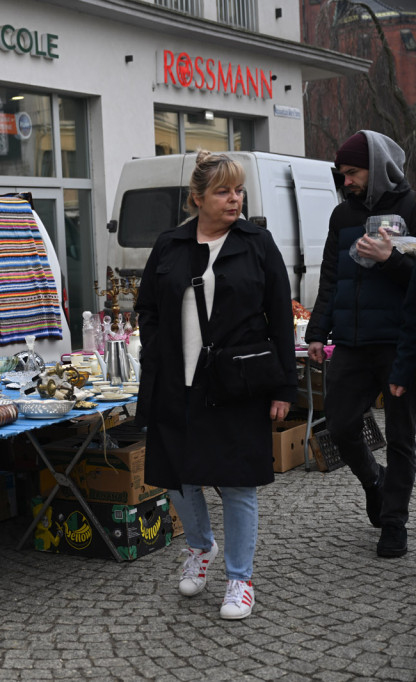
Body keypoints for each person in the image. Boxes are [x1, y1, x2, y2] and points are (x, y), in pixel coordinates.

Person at [136, 151, 296, 620]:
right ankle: (200, 549)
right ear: (198, 198)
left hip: (237, 384)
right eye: (224, 191)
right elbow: (147, 307)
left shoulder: (257, 242)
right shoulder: (169, 244)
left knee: (238, 483)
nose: (235, 199)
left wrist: (285, 387)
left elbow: (281, 318)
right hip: (175, 384)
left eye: (239, 190)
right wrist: (155, 352)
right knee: (179, 477)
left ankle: (239, 580)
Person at [305, 130, 416, 558]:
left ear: (377, 167)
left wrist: (391, 260)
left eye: (352, 172)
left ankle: (394, 522)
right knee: (341, 424)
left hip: (398, 342)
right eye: (342, 173)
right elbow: (330, 276)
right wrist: (317, 331)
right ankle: (376, 482)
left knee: (403, 436)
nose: (346, 180)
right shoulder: (341, 216)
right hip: (351, 342)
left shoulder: (410, 208)